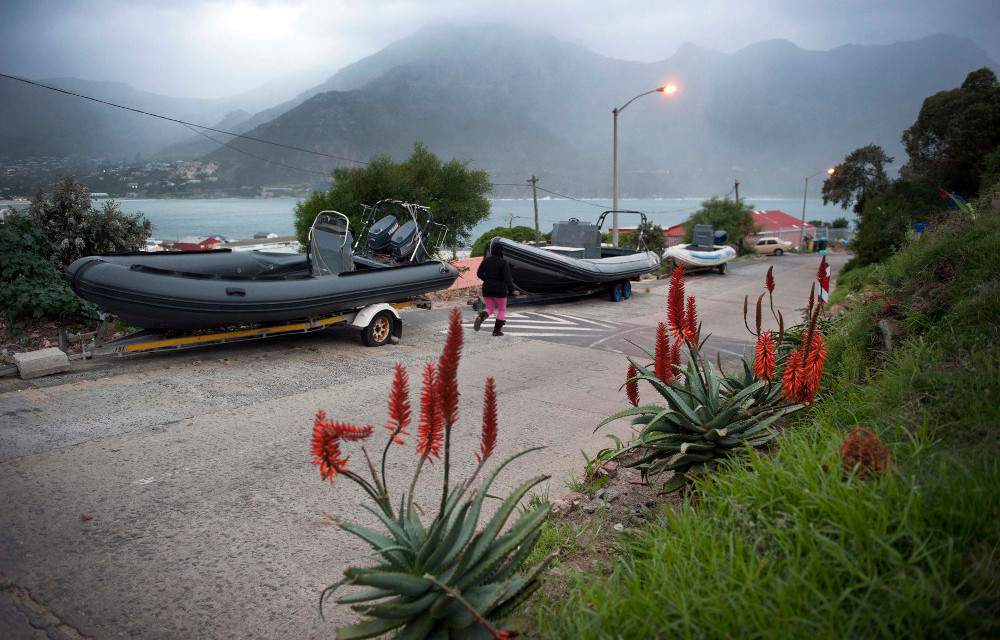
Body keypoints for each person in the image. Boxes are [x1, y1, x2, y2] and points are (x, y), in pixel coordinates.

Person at [474, 240, 519, 336]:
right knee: (502, 309)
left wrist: (487, 279)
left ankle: (481, 317)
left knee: (489, 308)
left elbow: (479, 274)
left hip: (487, 288)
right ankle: (496, 331)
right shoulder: (503, 262)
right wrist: (513, 289)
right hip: (500, 289)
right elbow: (507, 278)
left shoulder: (486, 261)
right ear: (501, 251)